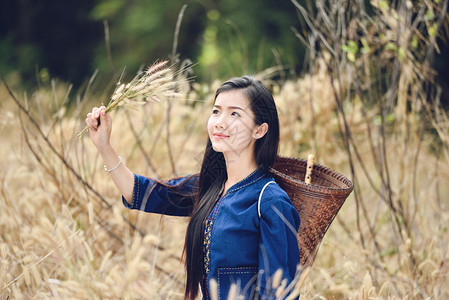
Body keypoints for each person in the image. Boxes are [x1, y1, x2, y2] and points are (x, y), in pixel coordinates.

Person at [85, 76, 301, 299]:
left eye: (235, 113)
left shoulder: (269, 201)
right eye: (216, 111)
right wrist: (104, 146)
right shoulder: (210, 186)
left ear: (260, 130)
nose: (220, 121)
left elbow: (280, 292)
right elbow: (144, 193)